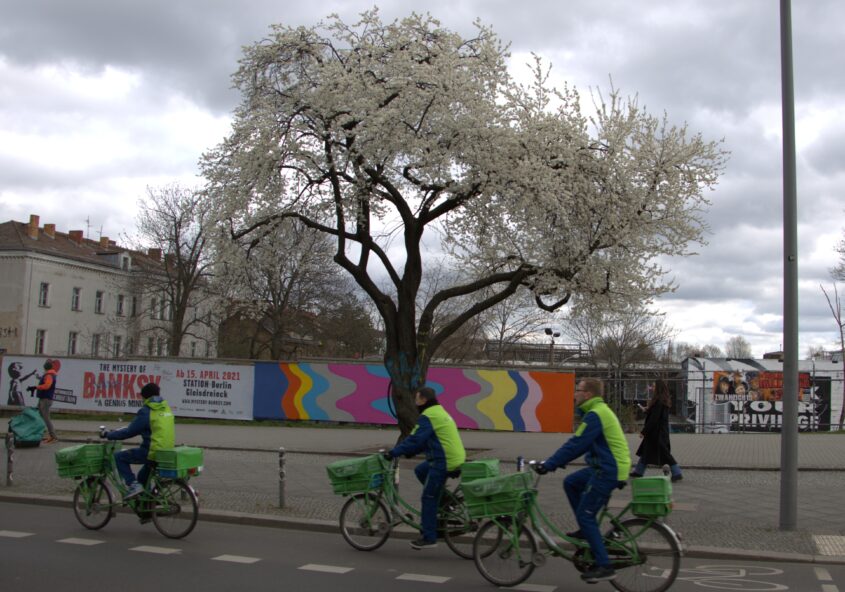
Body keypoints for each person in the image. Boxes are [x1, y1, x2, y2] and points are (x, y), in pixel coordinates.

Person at [532, 378, 630, 583]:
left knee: (586, 515)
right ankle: (586, 531)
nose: (574, 393)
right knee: (571, 482)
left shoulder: (596, 414)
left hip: (608, 470)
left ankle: (605, 566)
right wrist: (555, 462)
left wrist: (549, 464)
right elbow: (580, 445)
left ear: (588, 394)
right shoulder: (596, 411)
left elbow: (576, 444)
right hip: (604, 466)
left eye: (578, 390)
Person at [384, 386, 466, 550]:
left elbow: (415, 439)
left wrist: (394, 452)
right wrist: (409, 453)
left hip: (444, 461)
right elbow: (428, 440)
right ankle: (445, 500)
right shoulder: (439, 412)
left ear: (423, 400)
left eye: (417, 399)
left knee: (428, 497)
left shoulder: (429, 416)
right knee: (420, 470)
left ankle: (429, 537)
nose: (415, 402)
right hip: (454, 457)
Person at [101, 383, 174, 502]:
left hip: (151, 452)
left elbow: (129, 432)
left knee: (118, 457)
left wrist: (109, 435)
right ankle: (148, 505)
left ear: (144, 397)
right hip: (165, 452)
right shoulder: (166, 408)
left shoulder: (147, 411)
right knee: (142, 477)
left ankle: (134, 486)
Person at [630, 379, 683, 482]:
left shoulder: (659, 401)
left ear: (658, 388)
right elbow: (655, 414)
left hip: (657, 433)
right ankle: (638, 471)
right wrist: (647, 410)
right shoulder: (661, 400)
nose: (652, 388)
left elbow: (654, 419)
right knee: (646, 451)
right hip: (657, 432)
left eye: (654, 386)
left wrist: (643, 431)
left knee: (664, 453)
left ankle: (677, 473)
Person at [26, 360, 58, 444]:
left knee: (46, 418)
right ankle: (39, 434)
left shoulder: (49, 375)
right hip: (43, 399)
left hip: (46, 399)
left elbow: (47, 385)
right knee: (39, 417)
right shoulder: (49, 375)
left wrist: (37, 387)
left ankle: (53, 437)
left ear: (45, 368)